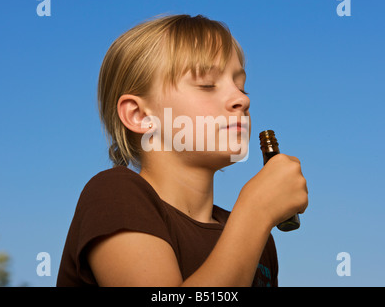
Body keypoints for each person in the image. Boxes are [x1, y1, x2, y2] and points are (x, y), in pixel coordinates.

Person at [56, 14, 308, 287]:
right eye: (207, 85)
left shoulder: (258, 241)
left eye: (240, 85)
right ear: (140, 115)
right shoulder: (114, 195)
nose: (242, 99)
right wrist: (256, 211)